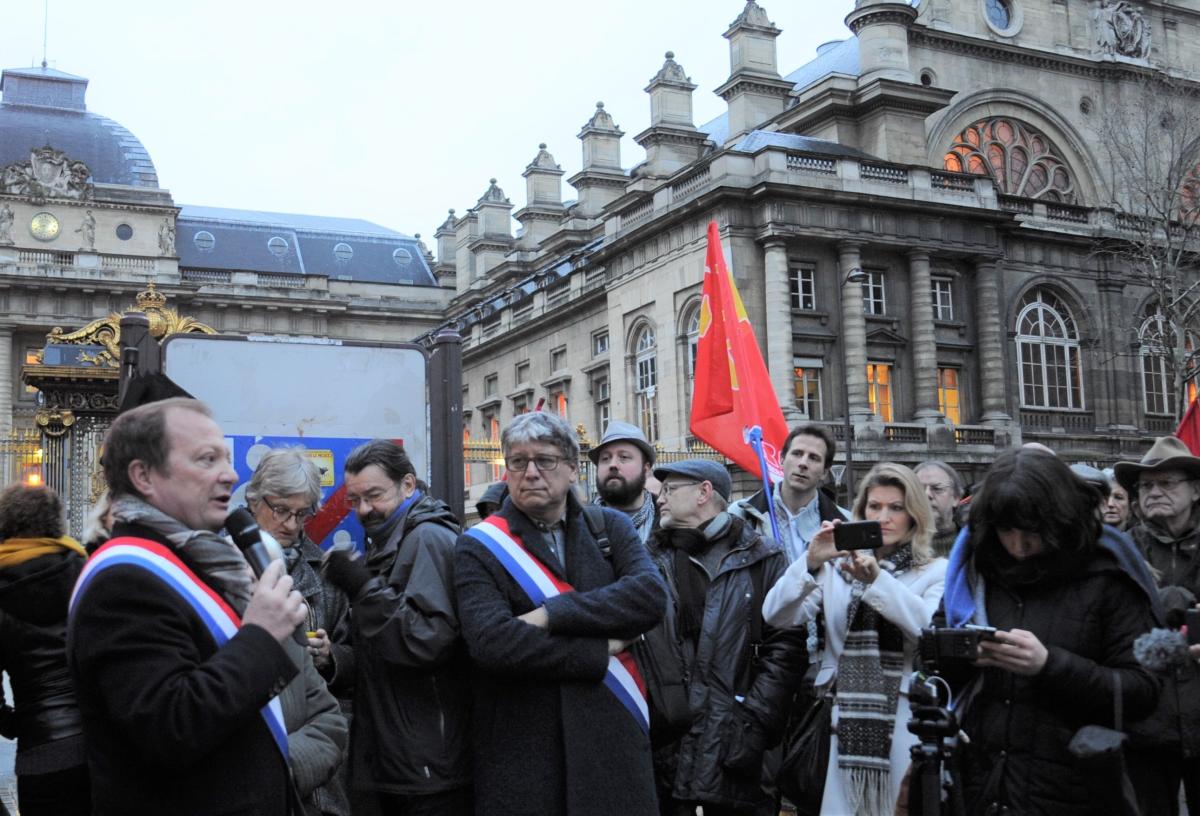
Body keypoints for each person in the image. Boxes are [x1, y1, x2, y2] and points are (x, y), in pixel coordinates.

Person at [67, 397, 341, 815]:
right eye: (206, 459)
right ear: (144, 475)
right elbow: (172, 727)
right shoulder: (124, 579)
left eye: (227, 459)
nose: (230, 475)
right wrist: (263, 635)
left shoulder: (188, 562)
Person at [454, 411, 667, 815]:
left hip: (612, 743)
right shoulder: (478, 546)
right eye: (517, 461)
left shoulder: (611, 527)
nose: (530, 472)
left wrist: (551, 614)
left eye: (545, 460)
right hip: (524, 753)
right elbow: (493, 644)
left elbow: (648, 597)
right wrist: (600, 647)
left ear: (572, 469)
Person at [939, 448, 1160, 815]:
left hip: (1077, 789)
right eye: (1006, 530)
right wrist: (963, 653)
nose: (1018, 545)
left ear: (1061, 519)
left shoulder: (1108, 574)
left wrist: (1049, 665)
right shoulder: (976, 571)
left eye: (1031, 531)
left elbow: (1144, 690)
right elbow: (930, 664)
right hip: (984, 785)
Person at [762, 462, 947, 816]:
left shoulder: (936, 571)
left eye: (896, 508)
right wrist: (810, 561)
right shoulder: (836, 569)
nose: (884, 517)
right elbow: (776, 614)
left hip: (905, 718)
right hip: (841, 718)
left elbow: (926, 630)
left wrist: (877, 581)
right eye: (874, 507)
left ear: (914, 516)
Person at [640, 459, 805, 816]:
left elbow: (787, 646)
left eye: (670, 490)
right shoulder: (649, 557)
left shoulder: (762, 556)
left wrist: (754, 721)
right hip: (667, 745)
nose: (659, 499)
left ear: (704, 492)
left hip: (737, 745)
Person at [321, 439, 472, 815]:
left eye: (374, 495)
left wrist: (363, 587)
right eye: (354, 501)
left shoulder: (427, 538)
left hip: (425, 763)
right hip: (400, 754)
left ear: (408, 485)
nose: (364, 510)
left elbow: (426, 640)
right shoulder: (390, 540)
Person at [247, 448, 353, 816]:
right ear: (254, 500)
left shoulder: (325, 571)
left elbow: (361, 657)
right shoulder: (222, 566)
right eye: (280, 510)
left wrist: (332, 657)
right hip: (253, 755)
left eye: (302, 513)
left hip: (320, 764)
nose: (291, 524)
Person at [1114, 436, 1200, 816]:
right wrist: (1175, 600)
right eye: (1146, 485)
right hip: (1146, 725)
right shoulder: (1119, 550)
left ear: (1196, 490)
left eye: (1167, 483)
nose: (1154, 492)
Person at [0, 484, 90, 816]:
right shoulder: (85, 571)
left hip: (39, 756)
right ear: (57, 524)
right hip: (97, 745)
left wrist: (16, 723)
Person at [730, 424, 847, 565]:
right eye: (797, 453)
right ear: (782, 459)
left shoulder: (844, 523)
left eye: (814, 458)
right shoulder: (740, 515)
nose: (803, 463)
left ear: (824, 472)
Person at [589, 420, 659, 542]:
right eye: (605, 458)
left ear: (646, 469)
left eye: (624, 457)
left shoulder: (670, 520)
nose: (613, 465)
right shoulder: (578, 523)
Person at [913, 460, 964, 557]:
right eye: (919, 489)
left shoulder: (975, 546)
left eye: (937, 488)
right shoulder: (893, 546)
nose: (926, 494)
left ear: (956, 497)